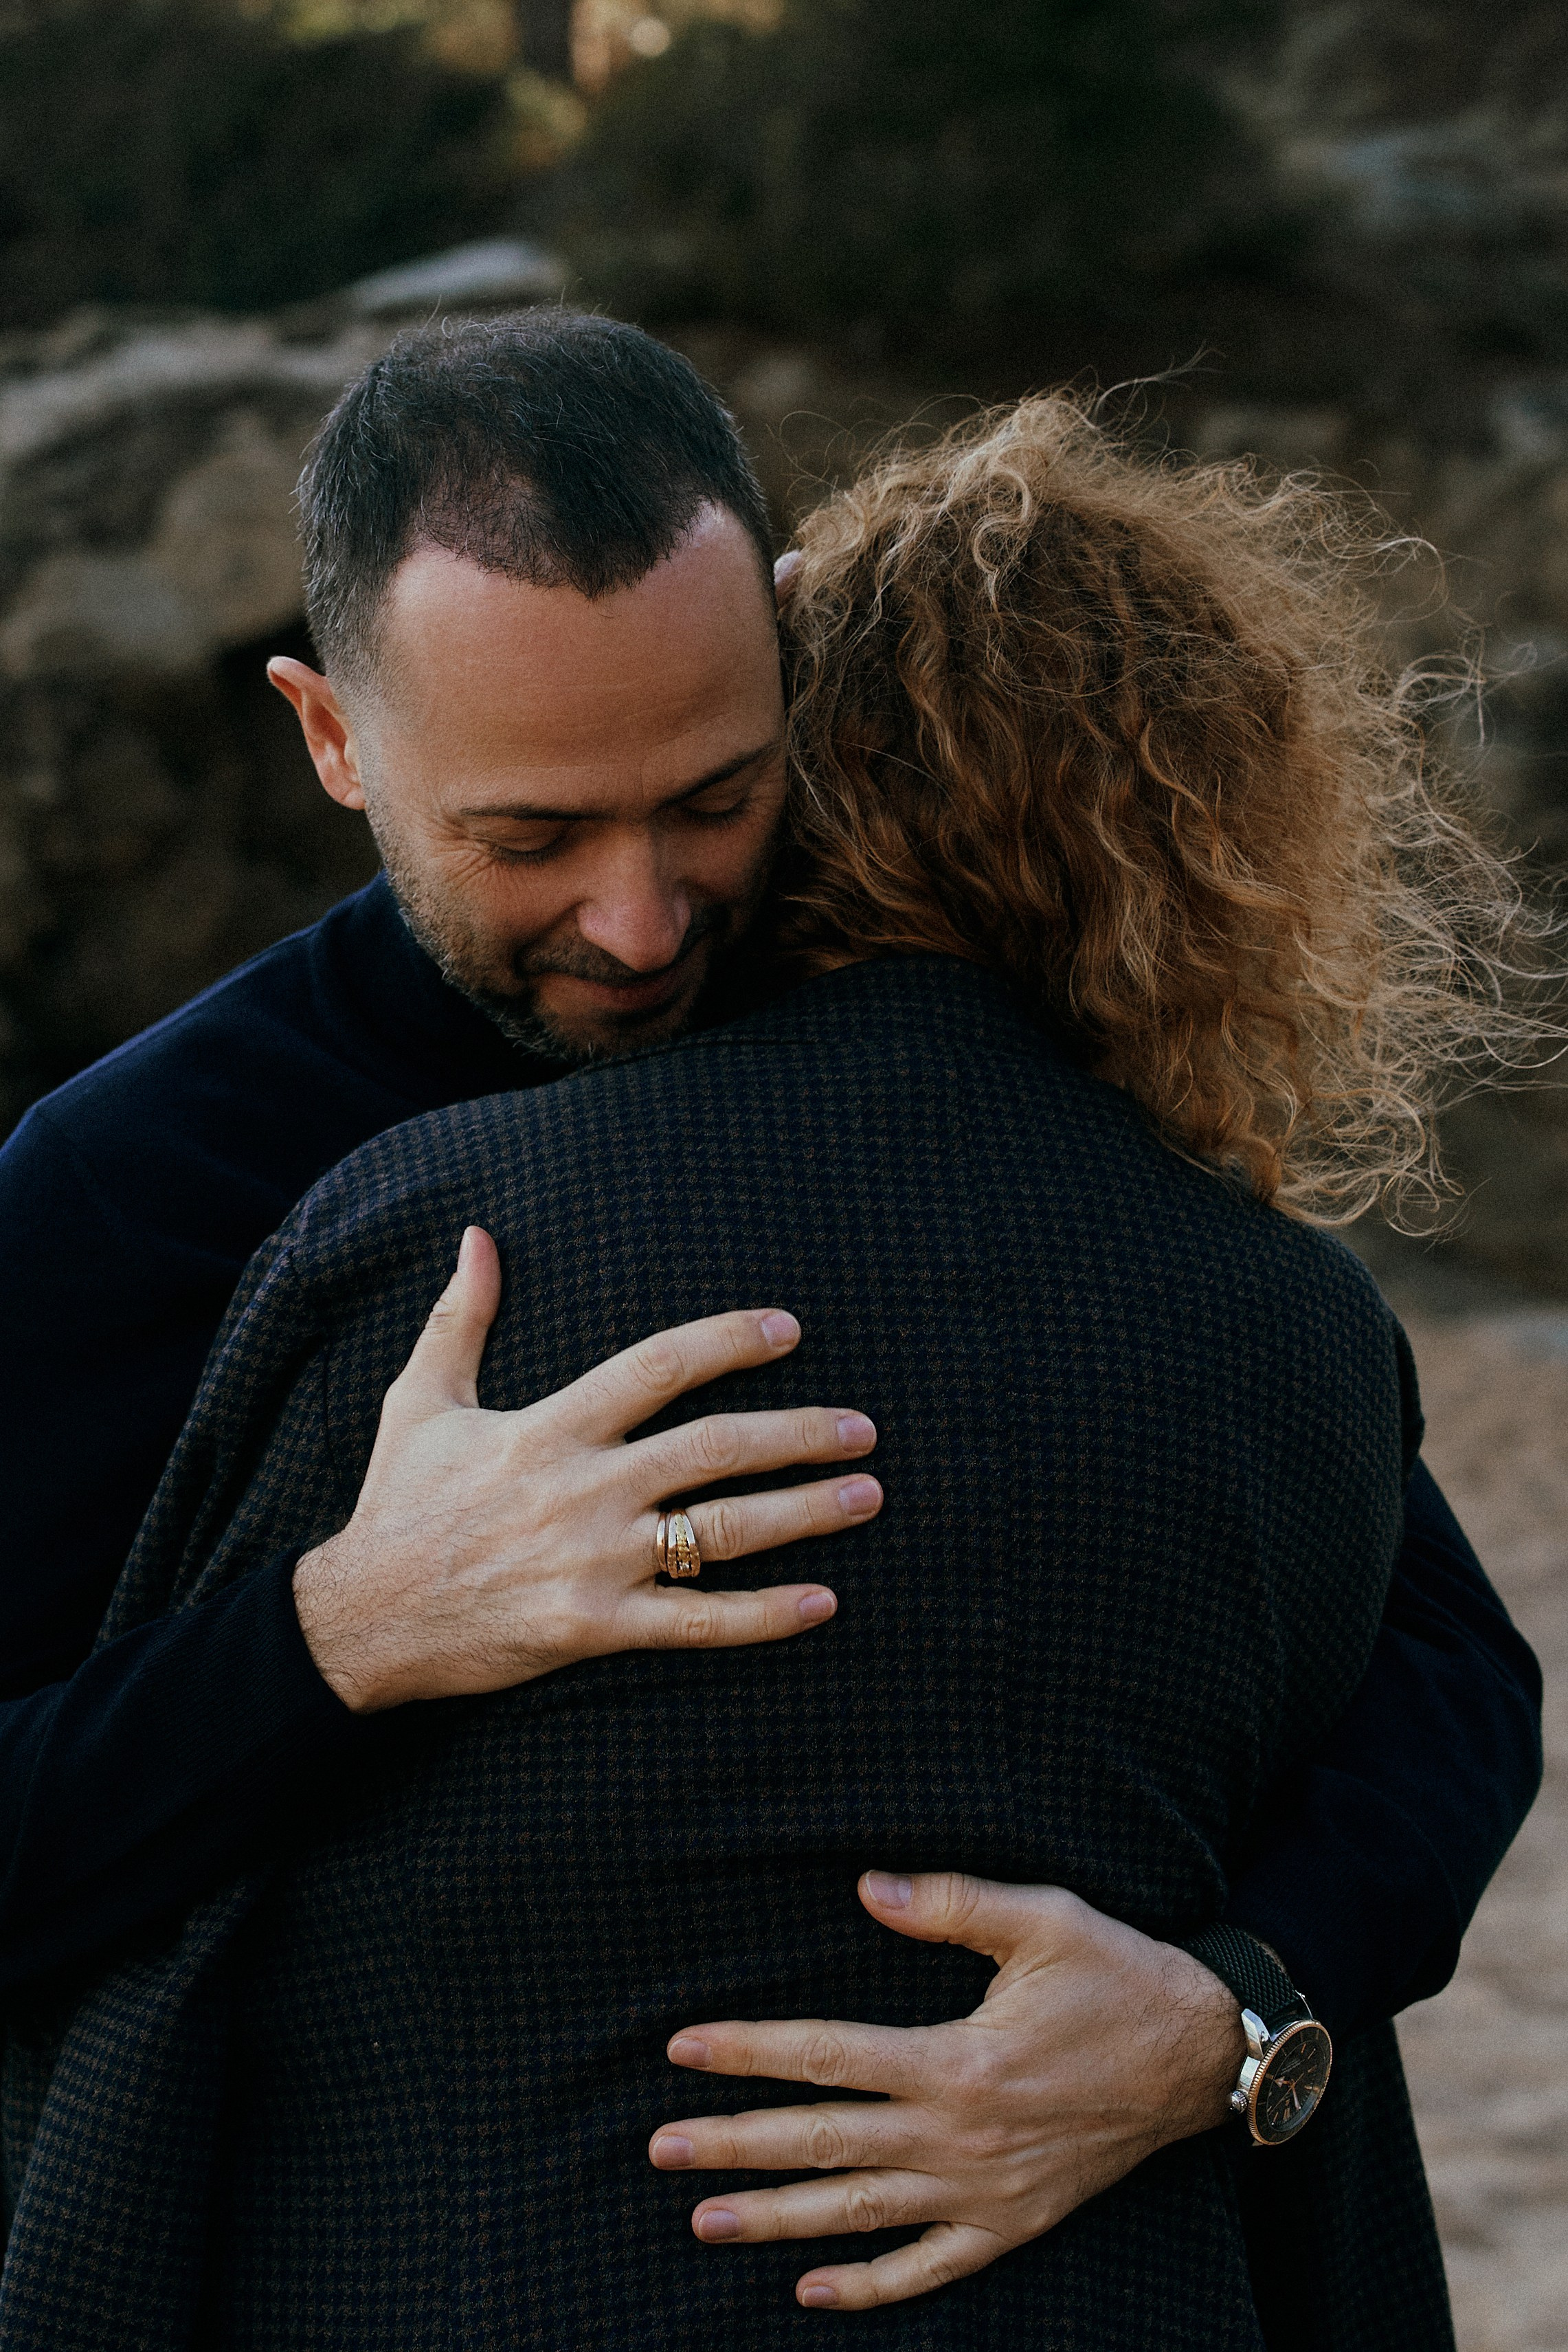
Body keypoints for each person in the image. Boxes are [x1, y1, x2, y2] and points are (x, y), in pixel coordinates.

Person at [0, 321, 1541, 2322]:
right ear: (331, 739)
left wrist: (1226, 2015)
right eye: (529, 840)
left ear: (792, 655)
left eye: (715, 798)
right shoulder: (137, 1190)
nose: (642, 926)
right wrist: (344, 1634)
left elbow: (1442, 1675)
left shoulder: (990, 1074)